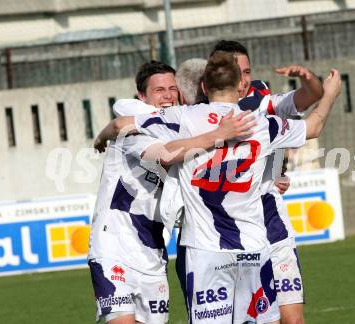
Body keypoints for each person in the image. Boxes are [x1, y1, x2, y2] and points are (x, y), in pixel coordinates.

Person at [99, 51, 341, 323]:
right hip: (253, 248)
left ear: (204, 87)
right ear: (240, 85)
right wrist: (330, 92)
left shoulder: (184, 118)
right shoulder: (260, 123)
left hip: (205, 252)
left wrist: (100, 139)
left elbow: (121, 124)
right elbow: (314, 125)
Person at [89, 60, 254, 324]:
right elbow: (164, 155)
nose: (167, 96)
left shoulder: (179, 127)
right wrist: (218, 134)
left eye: (172, 89)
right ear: (142, 97)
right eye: (159, 90)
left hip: (153, 251)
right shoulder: (136, 130)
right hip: (115, 245)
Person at [211, 40, 325, 324]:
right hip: (230, 231)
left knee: (293, 319)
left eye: (247, 72)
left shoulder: (259, 98)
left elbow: (293, 113)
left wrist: (275, 172)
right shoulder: (203, 113)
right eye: (237, 73)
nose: (243, 80)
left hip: (271, 220)